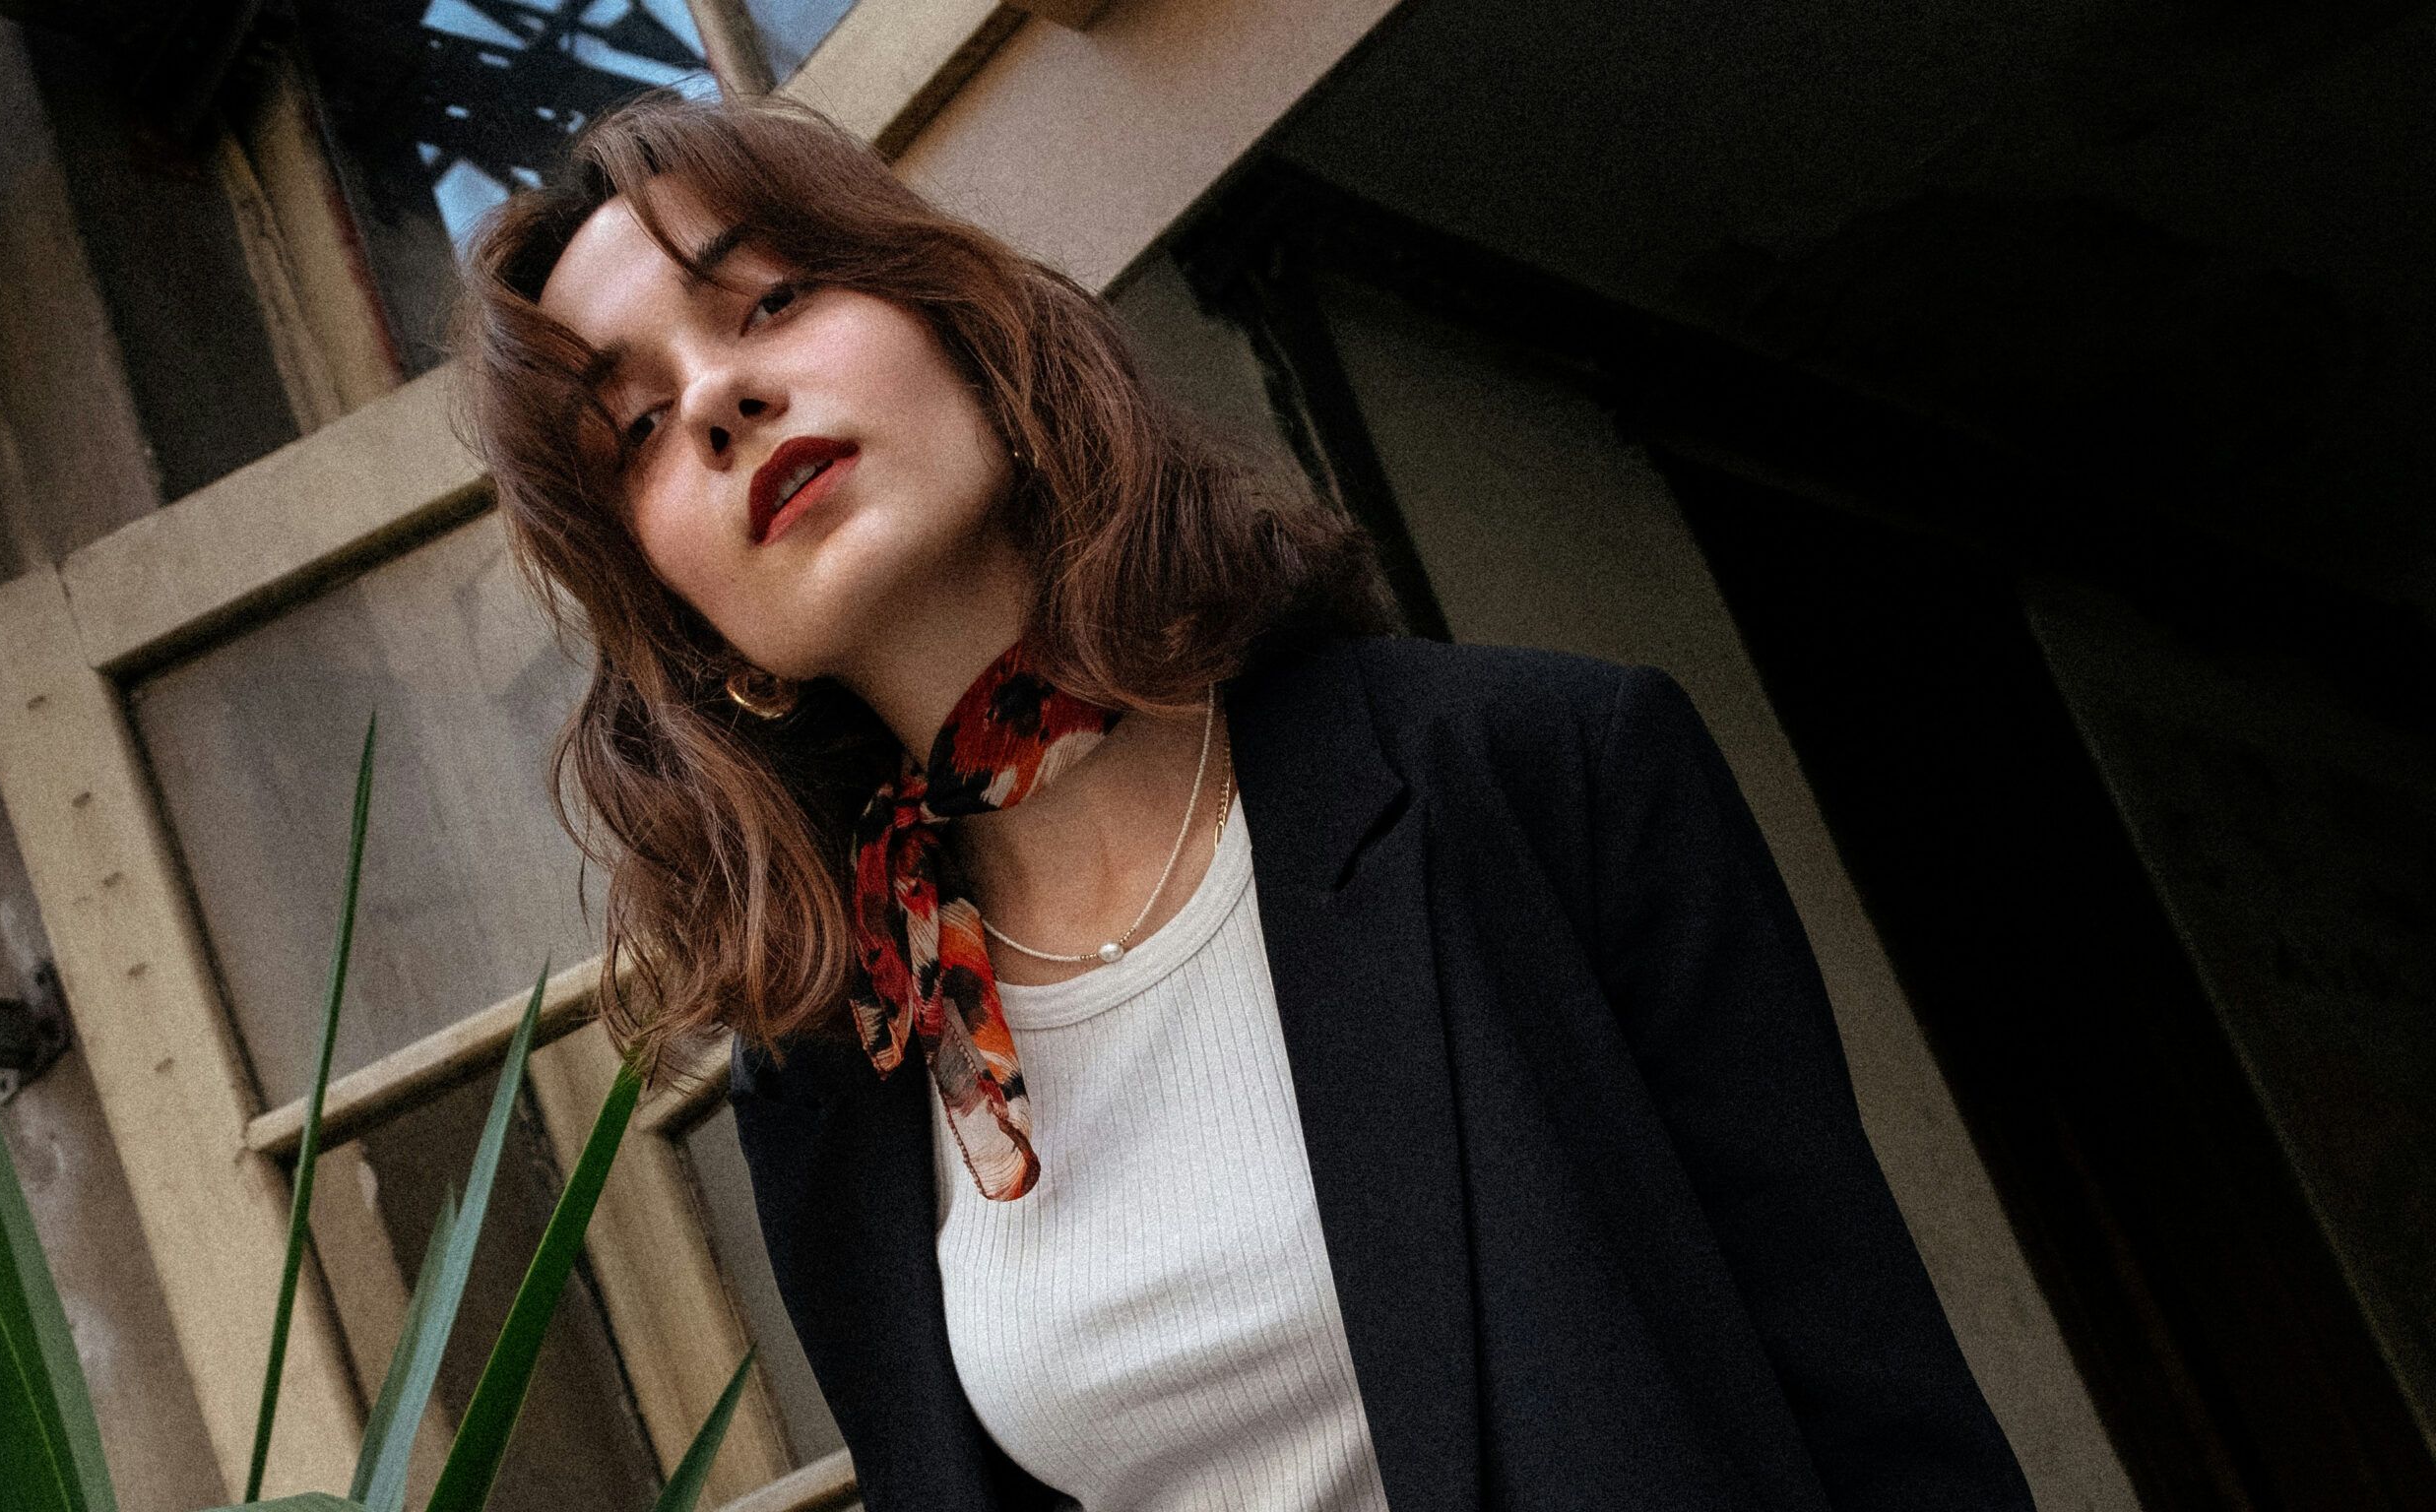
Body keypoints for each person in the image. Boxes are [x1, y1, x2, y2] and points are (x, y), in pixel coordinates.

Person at [453, 89, 2038, 1512]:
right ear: (686, 618)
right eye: (638, 429)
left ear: (967, 328)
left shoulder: (1543, 772)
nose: (722, 398)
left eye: (773, 299)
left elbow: (1888, 1436)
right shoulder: (835, 1076)